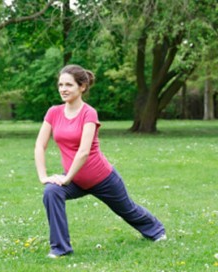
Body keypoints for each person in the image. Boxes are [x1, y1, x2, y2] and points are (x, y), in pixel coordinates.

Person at [34, 64, 166, 258]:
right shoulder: (53, 112)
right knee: (51, 192)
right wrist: (43, 176)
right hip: (75, 181)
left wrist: (67, 178)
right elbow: (40, 145)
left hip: (101, 178)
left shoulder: (89, 113)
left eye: (69, 85)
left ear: (82, 87)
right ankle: (60, 248)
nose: (63, 89)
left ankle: (156, 230)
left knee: (128, 210)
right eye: (61, 84)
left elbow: (84, 152)